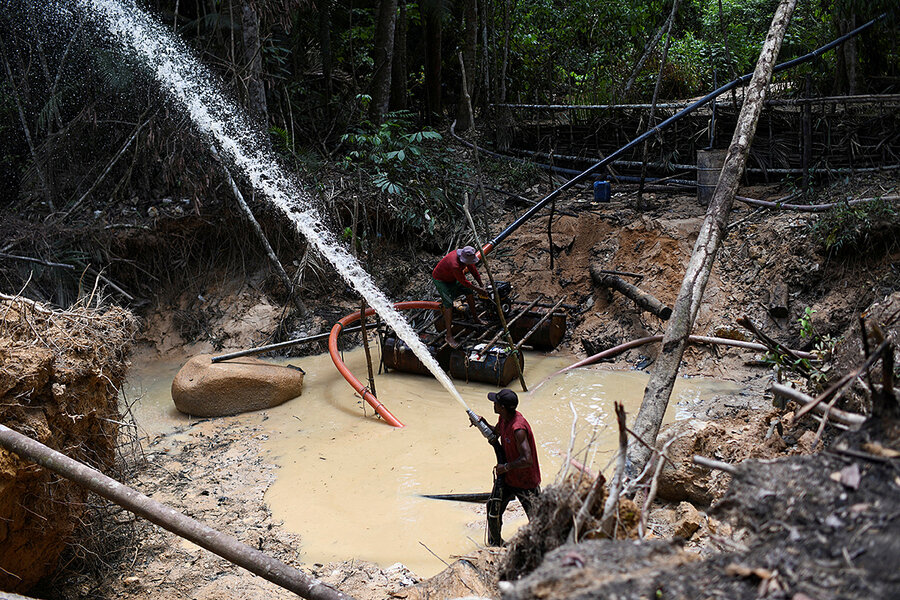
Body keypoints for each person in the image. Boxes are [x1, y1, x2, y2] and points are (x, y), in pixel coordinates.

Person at [479, 388, 541, 546]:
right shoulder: (503, 418)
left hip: (526, 481)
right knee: (493, 508)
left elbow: (527, 459)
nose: (493, 404)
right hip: (509, 478)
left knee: (538, 520)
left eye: (496, 403)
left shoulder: (518, 428)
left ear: (503, 407)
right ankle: (496, 544)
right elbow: (496, 432)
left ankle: (540, 549)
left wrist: (506, 467)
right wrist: (482, 423)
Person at [431, 246, 488, 348]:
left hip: (452, 278)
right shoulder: (455, 265)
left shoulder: (467, 257)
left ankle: (476, 318)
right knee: (448, 304)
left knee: (469, 292)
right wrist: (479, 290)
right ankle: (449, 336)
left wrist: (481, 284)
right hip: (441, 280)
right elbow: (464, 282)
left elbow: (474, 271)